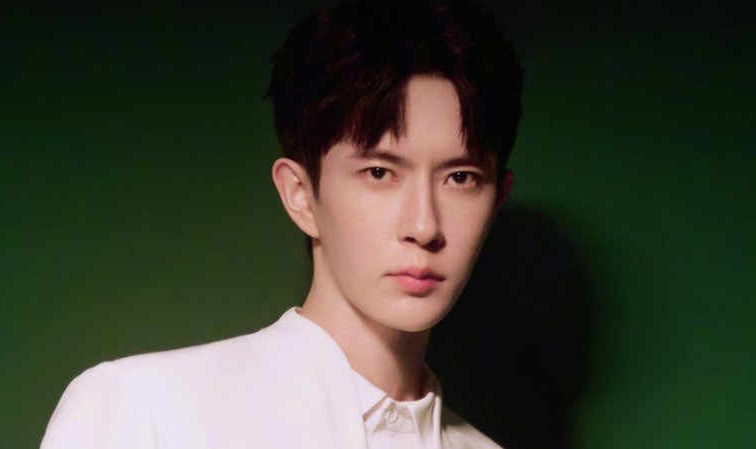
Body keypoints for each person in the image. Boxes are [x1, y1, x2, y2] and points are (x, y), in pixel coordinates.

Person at [40, 0, 523, 448]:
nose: (424, 226)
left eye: (461, 177)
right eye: (379, 173)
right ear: (300, 195)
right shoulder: (148, 413)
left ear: (497, 199)